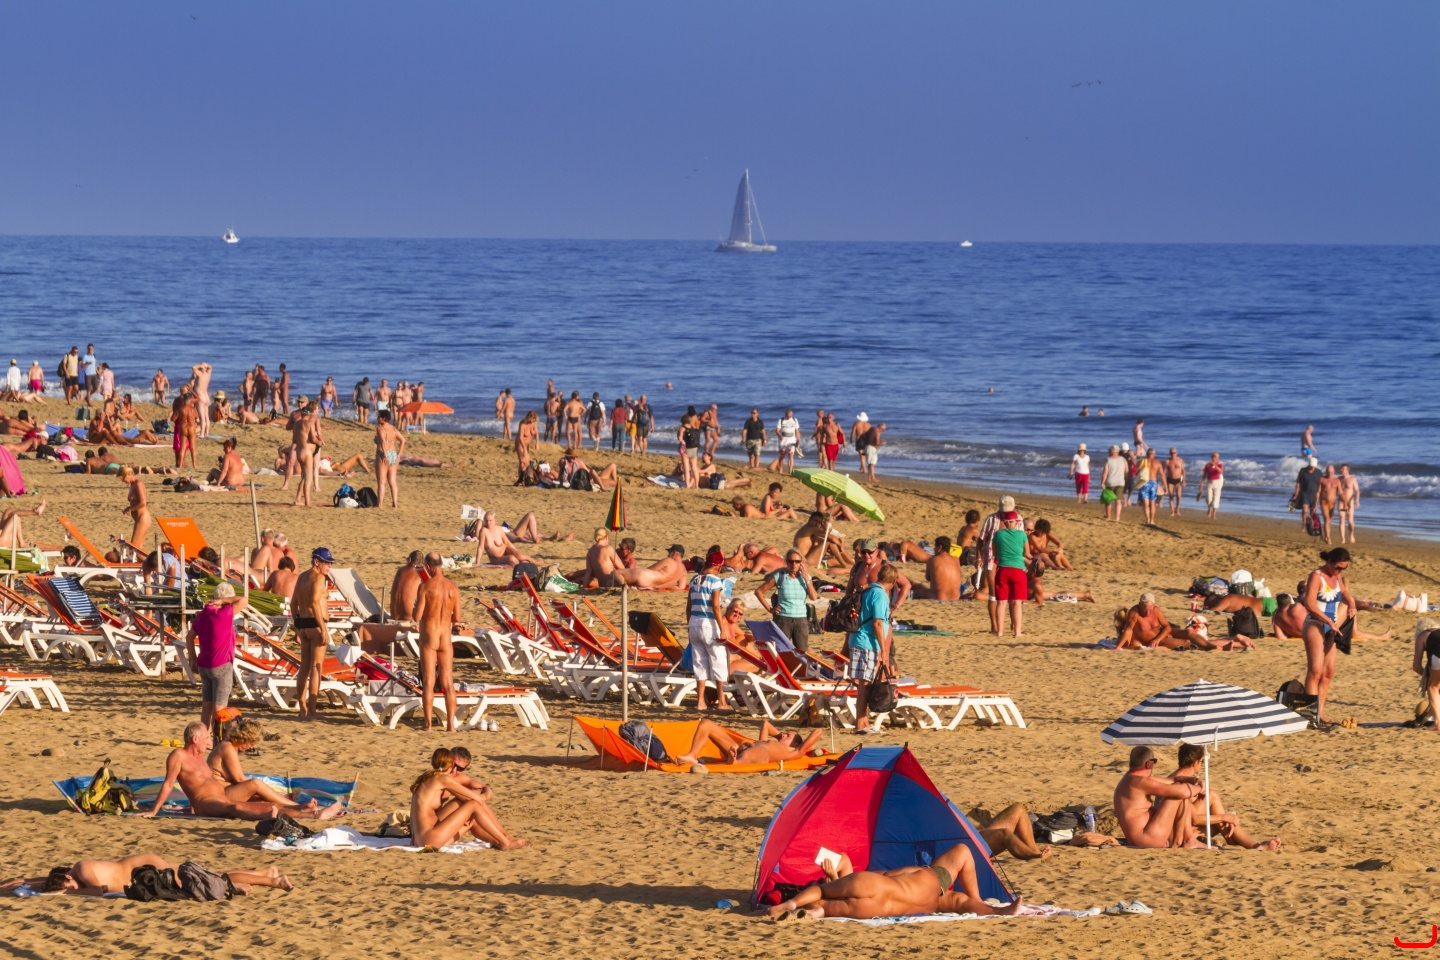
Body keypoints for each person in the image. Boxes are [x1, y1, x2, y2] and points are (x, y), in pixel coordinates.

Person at [764, 840, 1021, 921]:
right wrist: (829, 879)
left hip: (872, 900)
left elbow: (831, 882)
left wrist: (830, 880)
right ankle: (992, 908)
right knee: (963, 857)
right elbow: (842, 862)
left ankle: (797, 907)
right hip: (906, 896)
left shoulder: (842, 882)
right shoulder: (938, 896)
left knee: (822, 904)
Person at [143, 722, 344, 821]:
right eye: (206, 738)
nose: (209, 742)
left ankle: (304, 811)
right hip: (208, 803)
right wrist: (154, 811)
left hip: (220, 797)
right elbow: (168, 784)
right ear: (195, 739)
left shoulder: (199, 758)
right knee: (237, 809)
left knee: (266, 805)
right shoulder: (178, 755)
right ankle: (312, 815)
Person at [3, 854, 294, 897]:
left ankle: (273, 880)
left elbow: (97, 891)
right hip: (142, 866)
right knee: (206, 876)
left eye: (70, 886)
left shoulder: (85, 873)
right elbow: (33, 881)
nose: (74, 888)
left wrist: (68, 894)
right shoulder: (72, 872)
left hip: (146, 867)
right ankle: (265, 872)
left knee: (205, 880)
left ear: (68, 879)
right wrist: (17, 884)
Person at [1165, 744, 1281, 850]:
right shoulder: (1182, 784)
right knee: (1212, 796)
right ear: (1196, 763)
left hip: (1177, 829)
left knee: (1220, 818)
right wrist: (1225, 817)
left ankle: (1249, 845)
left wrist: (1224, 817)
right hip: (1175, 834)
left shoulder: (1174, 777)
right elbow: (1194, 819)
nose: (1201, 765)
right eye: (1202, 762)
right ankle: (1254, 846)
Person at [408, 750, 525, 849]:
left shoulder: (427, 777)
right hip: (430, 840)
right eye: (454, 765)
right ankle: (505, 842)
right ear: (450, 763)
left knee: (471, 820)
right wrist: (485, 796)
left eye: (460, 768)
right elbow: (477, 799)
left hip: (420, 840)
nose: (455, 770)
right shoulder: (442, 779)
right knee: (473, 805)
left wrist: (482, 793)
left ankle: (499, 841)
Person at [1300, 547, 1355, 724]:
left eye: (1344, 569)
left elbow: (1344, 593)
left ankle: (1320, 713)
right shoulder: (1316, 576)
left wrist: (1351, 603)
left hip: (1332, 626)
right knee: (1315, 671)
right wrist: (1329, 621)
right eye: (1338, 567)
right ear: (1329, 562)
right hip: (1315, 623)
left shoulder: (1337, 576)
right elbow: (1309, 604)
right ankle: (1312, 713)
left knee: (1328, 672)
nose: (1340, 571)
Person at [1113, 746, 1205, 848]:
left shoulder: (1131, 779)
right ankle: (1185, 840)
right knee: (1177, 794)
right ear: (1149, 764)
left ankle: (1187, 840)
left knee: (1178, 789)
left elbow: (1173, 780)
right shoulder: (1140, 782)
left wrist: (1195, 780)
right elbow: (1183, 792)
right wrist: (1200, 788)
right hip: (1145, 839)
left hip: (1143, 836)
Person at [184, 582, 246, 730]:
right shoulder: (224, 614)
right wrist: (223, 601)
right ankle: (218, 738)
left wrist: (192, 660)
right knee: (220, 707)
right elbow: (244, 600)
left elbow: (189, 637)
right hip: (221, 665)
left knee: (207, 705)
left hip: (204, 665)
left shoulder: (202, 615)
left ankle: (205, 736)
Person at [413, 552, 462, 732]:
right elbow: (457, 618)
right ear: (441, 564)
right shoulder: (453, 587)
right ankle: (451, 725)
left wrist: (416, 608)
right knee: (448, 683)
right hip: (445, 638)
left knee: (429, 682)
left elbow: (417, 616)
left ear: (428, 566)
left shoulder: (425, 586)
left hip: (430, 637)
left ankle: (428, 725)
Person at [847, 563, 896, 733]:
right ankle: (860, 725)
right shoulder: (880, 594)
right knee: (864, 686)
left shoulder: (869, 590)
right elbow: (877, 623)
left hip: (860, 641)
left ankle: (864, 723)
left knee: (865, 685)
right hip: (866, 643)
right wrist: (884, 650)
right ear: (894, 582)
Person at [972, 803, 1118, 860]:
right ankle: (1032, 855)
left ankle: (1035, 851)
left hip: (972, 833)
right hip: (968, 842)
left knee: (1019, 809)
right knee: (1005, 833)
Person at [686, 547, 734, 712]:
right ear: (718, 566)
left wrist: (689, 625)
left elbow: (688, 607)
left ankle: (700, 701)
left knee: (700, 662)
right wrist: (722, 629)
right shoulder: (715, 581)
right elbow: (715, 607)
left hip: (694, 623)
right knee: (718, 661)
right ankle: (722, 701)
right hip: (709, 624)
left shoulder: (694, 580)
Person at [291, 548, 334, 720]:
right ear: (317, 562)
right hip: (316, 625)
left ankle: (302, 709)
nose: (329, 566)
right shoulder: (319, 577)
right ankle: (312, 711)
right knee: (316, 667)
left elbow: (293, 604)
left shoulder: (301, 577)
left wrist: (297, 627)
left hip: (304, 625)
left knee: (304, 667)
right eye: (327, 563)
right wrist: (323, 629)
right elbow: (315, 603)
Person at [675, 719, 823, 766]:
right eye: (784, 733)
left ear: (796, 744)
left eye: (788, 735)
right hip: (740, 749)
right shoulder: (767, 741)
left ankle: (734, 762)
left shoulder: (794, 752)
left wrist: (798, 744)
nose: (783, 734)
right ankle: (692, 755)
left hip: (757, 755)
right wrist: (781, 737)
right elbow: (766, 724)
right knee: (706, 723)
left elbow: (818, 731)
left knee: (760, 750)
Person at [755, 550, 819, 652]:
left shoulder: (806, 578)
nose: (794, 564)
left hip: (801, 619)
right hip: (783, 619)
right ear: (786, 562)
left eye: (797, 561)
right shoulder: (780, 576)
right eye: (791, 561)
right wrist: (770, 609)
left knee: (802, 653)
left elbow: (814, 597)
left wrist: (806, 577)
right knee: (782, 652)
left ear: (801, 562)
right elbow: (758, 591)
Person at [976, 496, 1018, 634]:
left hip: (1010, 559)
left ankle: (1013, 625)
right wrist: (978, 558)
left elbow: (1021, 539)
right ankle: (994, 627)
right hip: (991, 557)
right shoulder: (992, 519)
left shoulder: (1018, 519)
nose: (1005, 514)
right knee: (993, 592)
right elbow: (981, 539)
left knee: (1012, 594)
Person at [991, 513, 1028, 636]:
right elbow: (1027, 553)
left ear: (1005, 522)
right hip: (1018, 570)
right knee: (1017, 603)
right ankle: (1017, 632)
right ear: (1016, 522)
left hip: (1003, 570)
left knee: (1001, 603)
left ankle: (1000, 632)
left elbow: (995, 553)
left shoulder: (998, 534)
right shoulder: (1022, 535)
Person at [1115, 593, 1188, 650]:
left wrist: (1157, 639)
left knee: (1188, 635)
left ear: (1153, 606)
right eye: (1145, 610)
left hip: (1158, 638)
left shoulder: (1156, 610)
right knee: (1186, 642)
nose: (1148, 613)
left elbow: (1167, 627)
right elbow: (1128, 632)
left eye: (1150, 610)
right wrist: (1118, 647)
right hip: (1148, 641)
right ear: (1140, 605)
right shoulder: (1134, 614)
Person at [614, 543, 690, 590]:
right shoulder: (683, 571)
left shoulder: (669, 561)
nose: (668, 555)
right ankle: (627, 586)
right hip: (651, 586)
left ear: (674, 553)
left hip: (644, 578)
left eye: (669, 552)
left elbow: (650, 569)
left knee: (616, 573)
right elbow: (681, 587)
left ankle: (625, 587)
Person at [473, 513, 537, 567]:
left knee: (519, 556)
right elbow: (480, 548)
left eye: (490, 520)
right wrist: (477, 563)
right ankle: (524, 565)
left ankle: (535, 562)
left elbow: (507, 542)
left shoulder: (499, 529)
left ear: (495, 520)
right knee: (512, 559)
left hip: (505, 550)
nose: (488, 523)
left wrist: (516, 551)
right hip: (496, 558)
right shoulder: (484, 531)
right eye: (486, 521)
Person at [289, 403, 323, 507]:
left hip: (299, 451)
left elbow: (294, 440)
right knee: (308, 478)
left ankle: (298, 499)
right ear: (309, 414)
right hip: (307, 452)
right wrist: (319, 442)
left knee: (304, 476)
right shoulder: (310, 423)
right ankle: (308, 502)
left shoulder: (296, 424)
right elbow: (313, 438)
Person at [1411, 619, 1440, 733]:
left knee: (1433, 687)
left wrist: (1428, 677)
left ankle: (1438, 723)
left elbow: (1416, 666)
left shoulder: (1423, 635)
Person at [911, 536, 962, 601]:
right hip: (956, 597)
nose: (934, 549)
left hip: (939, 596)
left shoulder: (932, 560)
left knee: (917, 593)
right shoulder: (956, 560)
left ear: (940, 547)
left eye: (935, 547)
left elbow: (928, 578)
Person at [373, 409, 405, 508]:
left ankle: (380, 504)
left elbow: (383, 442)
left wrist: (385, 455)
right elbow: (403, 440)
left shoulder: (380, 428)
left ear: (384, 418)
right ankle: (395, 503)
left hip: (383, 454)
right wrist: (399, 455)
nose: (377, 418)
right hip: (393, 454)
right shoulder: (393, 428)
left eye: (379, 417)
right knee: (392, 481)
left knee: (381, 482)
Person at [118, 466, 152, 547]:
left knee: (134, 547)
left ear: (129, 474)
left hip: (143, 518)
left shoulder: (138, 484)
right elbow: (135, 502)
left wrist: (130, 509)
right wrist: (128, 508)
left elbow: (143, 502)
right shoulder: (133, 484)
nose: (123, 481)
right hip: (138, 519)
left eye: (123, 478)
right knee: (138, 547)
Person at [1293, 456, 1322, 533]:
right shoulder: (1303, 471)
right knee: (1305, 510)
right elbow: (1298, 483)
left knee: (1312, 512)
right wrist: (1296, 493)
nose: (1313, 468)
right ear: (1309, 464)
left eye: (1314, 466)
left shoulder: (1319, 472)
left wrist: (1321, 494)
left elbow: (1321, 484)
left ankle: (1311, 525)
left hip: (1314, 494)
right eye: (1311, 466)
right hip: (1304, 493)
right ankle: (1304, 524)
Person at [1316, 464, 1342, 545]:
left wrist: (1345, 503)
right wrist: (1315, 504)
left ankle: (1326, 536)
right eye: (1328, 471)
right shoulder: (1322, 479)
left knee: (1329, 521)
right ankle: (1328, 537)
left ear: (1334, 471)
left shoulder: (1337, 481)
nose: (1330, 473)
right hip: (1324, 502)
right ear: (1326, 471)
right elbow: (1318, 492)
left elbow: (1340, 492)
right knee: (1327, 519)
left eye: (1331, 471)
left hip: (1332, 503)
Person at [770, 408, 801, 473]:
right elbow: (777, 430)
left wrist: (798, 440)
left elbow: (797, 431)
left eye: (790, 416)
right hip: (783, 442)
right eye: (788, 416)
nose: (789, 417)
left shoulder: (794, 420)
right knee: (782, 456)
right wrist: (779, 435)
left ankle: (790, 471)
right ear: (785, 414)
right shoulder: (781, 420)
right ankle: (780, 468)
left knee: (791, 455)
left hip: (792, 441)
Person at [1137, 447, 1162, 525]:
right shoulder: (1158, 463)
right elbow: (1162, 474)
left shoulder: (1143, 461)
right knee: (1153, 503)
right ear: (1154, 454)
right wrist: (1165, 486)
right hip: (1153, 483)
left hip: (1145, 482)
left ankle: (1147, 520)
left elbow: (1136, 472)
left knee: (1146, 503)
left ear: (1147, 454)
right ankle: (1152, 521)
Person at [1100, 446, 1126, 521]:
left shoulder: (1108, 460)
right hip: (1120, 482)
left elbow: (1105, 472)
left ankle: (1108, 516)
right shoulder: (1123, 459)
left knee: (1108, 500)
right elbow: (1127, 471)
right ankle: (1117, 518)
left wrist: (1103, 482)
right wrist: (1125, 480)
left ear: (1112, 451)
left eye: (1109, 451)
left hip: (1110, 482)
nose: (1108, 452)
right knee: (1118, 501)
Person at [1337, 463, 1360, 545]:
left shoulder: (1352, 479)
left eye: (1343, 469)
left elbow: (1357, 490)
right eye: (1341, 469)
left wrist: (1357, 500)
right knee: (1341, 519)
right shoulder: (1339, 479)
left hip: (1350, 501)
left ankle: (1351, 534)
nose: (1341, 470)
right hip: (1341, 501)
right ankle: (1343, 538)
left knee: (1350, 520)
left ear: (1347, 470)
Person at [1198, 451, 1224, 519]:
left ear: (1218, 458)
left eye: (1215, 456)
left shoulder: (1220, 464)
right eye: (1213, 456)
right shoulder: (1208, 465)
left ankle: (1214, 514)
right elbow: (1204, 475)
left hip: (1217, 482)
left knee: (1216, 498)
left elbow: (1220, 471)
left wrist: (1215, 465)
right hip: (1209, 482)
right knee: (1209, 498)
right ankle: (1209, 508)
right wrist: (1201, 484)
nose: (1213, 458)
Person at [1163, 448, 1187, 517]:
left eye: (1174, 453)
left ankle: (1177, 509)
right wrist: (1164, 482)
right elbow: (1164, 472)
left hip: (1178, 480)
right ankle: (1172, 511)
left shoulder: (1180, 460)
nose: (1173, 454)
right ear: (1170, 453)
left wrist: (1184, 479)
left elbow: (1183, 470)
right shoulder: (1167, 461)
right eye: (1171, 453)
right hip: (1170, 480)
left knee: (1179, 496)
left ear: (1177, 453)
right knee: (1171, 496)